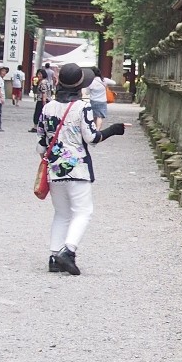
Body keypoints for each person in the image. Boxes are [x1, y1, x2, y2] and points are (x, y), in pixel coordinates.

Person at [37, 61, 123, 276]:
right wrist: (114, 130)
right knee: (83, 211)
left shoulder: (48, 107)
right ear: (79, 85)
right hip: (77, 167)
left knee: (61, 213)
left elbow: (41, 141)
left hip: (55, 168)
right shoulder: (82, 107)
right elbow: (92, 137)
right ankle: (69, 251)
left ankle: (54, 255)